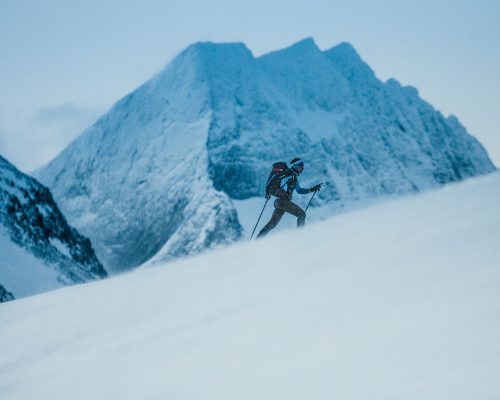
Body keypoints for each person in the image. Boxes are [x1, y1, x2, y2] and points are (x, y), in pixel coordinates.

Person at [256, 158, 322, 238]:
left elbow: (299, 190)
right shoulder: (288, 174)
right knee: (302, 214)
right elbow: (274, 179)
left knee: (272, 223)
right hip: (282, 201)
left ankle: (258, 238)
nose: (301, 170)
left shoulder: (293, 177)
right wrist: (268, 191)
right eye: (301, 168)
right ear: (296, 166)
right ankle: (300, 238)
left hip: (279, 202)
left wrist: (313, 189)